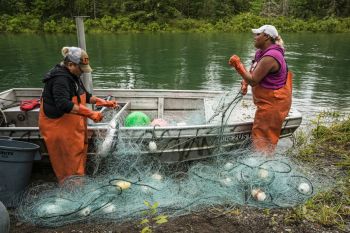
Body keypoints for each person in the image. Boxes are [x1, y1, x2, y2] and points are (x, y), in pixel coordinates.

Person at [39, 46, 117, 183]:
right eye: (81, 69)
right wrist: (91, 113)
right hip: (59, 130)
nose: (82, 72)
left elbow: (85, 96)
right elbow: (63, 104)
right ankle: (71, 191)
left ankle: (78, 183)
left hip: (74, 129)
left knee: (78, 159)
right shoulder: (59, 79)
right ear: (70, 64)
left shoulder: (74, 75)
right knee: (67, 165)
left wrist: (104, 102)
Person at [229, 25, 292, 155]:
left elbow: (254, 80)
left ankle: (261, 167)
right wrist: (244, 82)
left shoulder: (271, 56)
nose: (254, 37)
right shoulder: (260, 53)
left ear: (267, 37)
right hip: (265, 101)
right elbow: (253, 72)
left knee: (262, 141)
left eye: (258, 34)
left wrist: (238, 65)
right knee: (260, 136)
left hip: (274, 103)